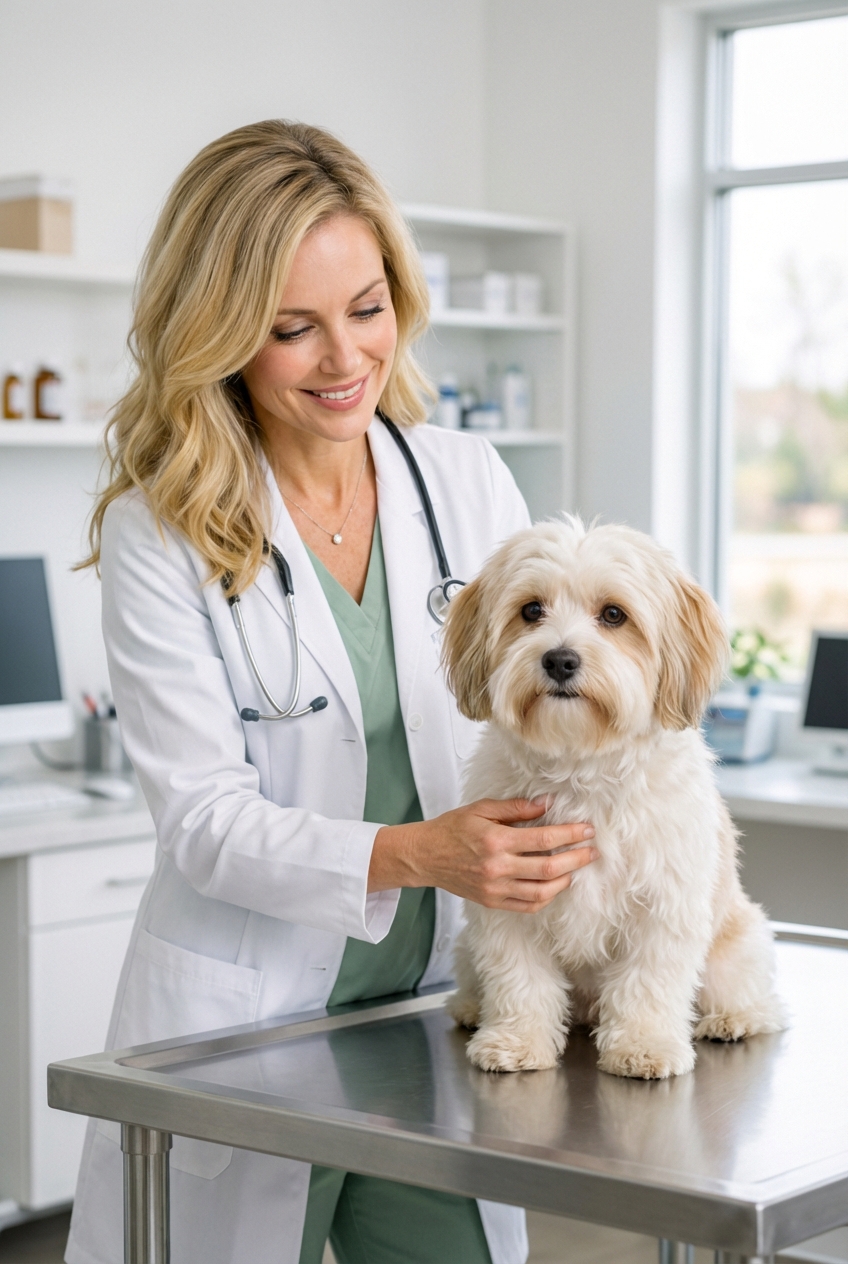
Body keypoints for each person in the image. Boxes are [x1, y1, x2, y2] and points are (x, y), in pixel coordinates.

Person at [66, 120, 597, 1264]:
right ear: (215, 335)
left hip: (425, 1025)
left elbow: (536, 725)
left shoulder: (463, 478)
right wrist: (421, 853)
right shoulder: (160, 530)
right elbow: (204, 823)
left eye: (366, 307)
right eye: (289, 328)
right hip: (244, 1035)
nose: (344, 357)